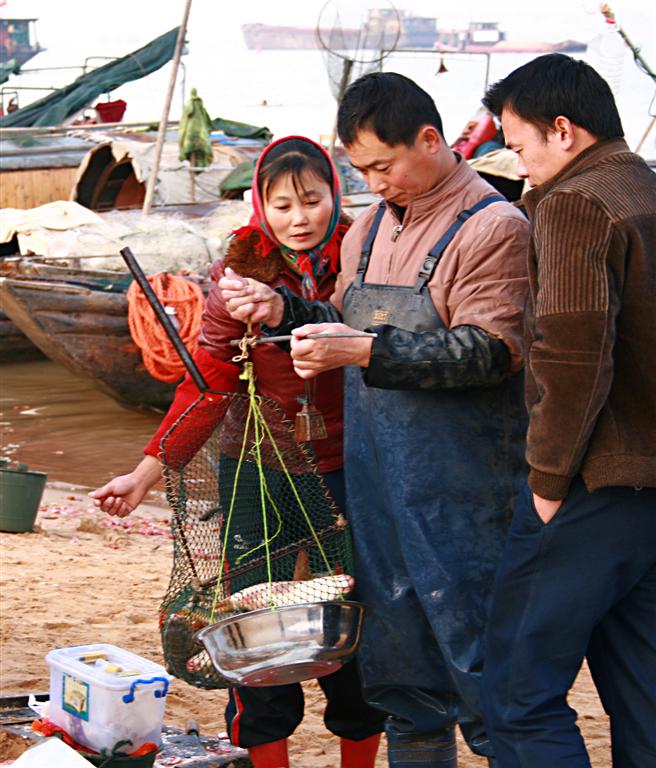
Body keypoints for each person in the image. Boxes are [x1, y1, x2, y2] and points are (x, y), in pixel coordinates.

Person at [219, 72, 529, 767]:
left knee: (490, 685)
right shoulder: (369, 226)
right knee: (404, 687)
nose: (373, 183)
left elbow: (493, 350)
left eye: (382, 166)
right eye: (359, 169)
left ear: (431, 140)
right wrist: (286, 313)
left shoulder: (493, 226)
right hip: (376, 493)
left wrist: (361, 349)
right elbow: (344, 318)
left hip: (464, 498)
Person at [90, 136, 384, 768]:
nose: (299, 217)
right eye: (281, 205)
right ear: (259, 206)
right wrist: (146, 473)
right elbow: (208, 385)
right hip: (257, 471)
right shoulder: (238, 277)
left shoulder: (366, 258)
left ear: (336, 196)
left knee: (357, 622)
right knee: (254, 635)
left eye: (312, 200)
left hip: (352, 466)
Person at [478, 53, 656, 768]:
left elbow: (573, 353)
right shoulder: (644, 186)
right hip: (648, 496)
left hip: (589, 483)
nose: (519, 167)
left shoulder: (578, 202)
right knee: (643, 693)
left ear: (563, 129)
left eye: (519, 146)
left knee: (519, 693)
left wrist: (548, 483)